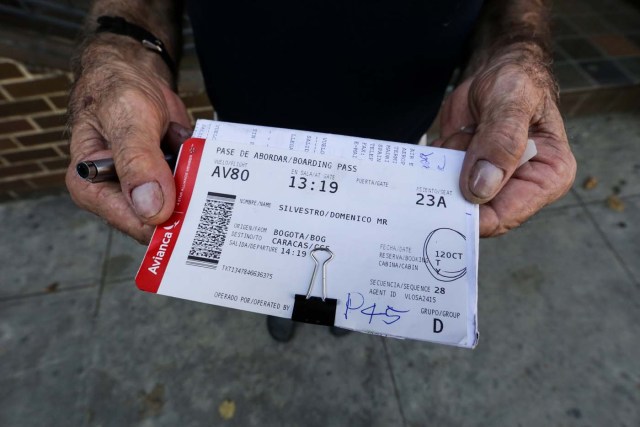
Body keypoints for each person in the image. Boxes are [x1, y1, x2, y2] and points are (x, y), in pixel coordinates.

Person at [66, 0, 576, 341]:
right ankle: (285, 303)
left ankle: (347, 308)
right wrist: (121, 53)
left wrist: (517, 51)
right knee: (281, 254)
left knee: (356, 261)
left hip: (399, 143)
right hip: (251, 139)